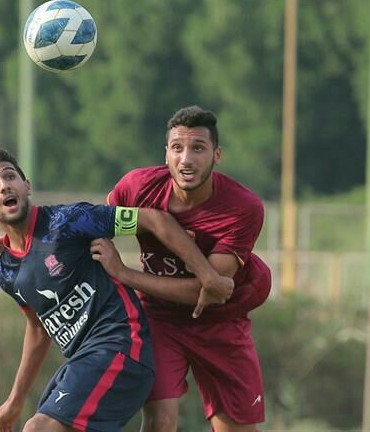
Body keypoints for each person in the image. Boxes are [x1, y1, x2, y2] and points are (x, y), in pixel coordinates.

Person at [0, 136, 233, 432]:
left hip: (121, 347)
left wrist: (206, 276)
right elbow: (38, 328)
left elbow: (157, 221)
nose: (4, 185)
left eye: (10, 176)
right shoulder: (6, 271)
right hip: (82, 361)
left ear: (26, 186)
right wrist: (15, 400)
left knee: (38, 429)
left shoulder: (69, 222)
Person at [94, 105, 272, 432]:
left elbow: (205, 292)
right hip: (159, 319)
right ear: (166, 154)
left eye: (198, 148)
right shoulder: (136, 187)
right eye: (177, 148)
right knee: (160, 422)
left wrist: (125, 273)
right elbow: (88, 227)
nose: (186, 159)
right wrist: (18, 233)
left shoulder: (243, 208)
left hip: (221, 319)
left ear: (217, 155)